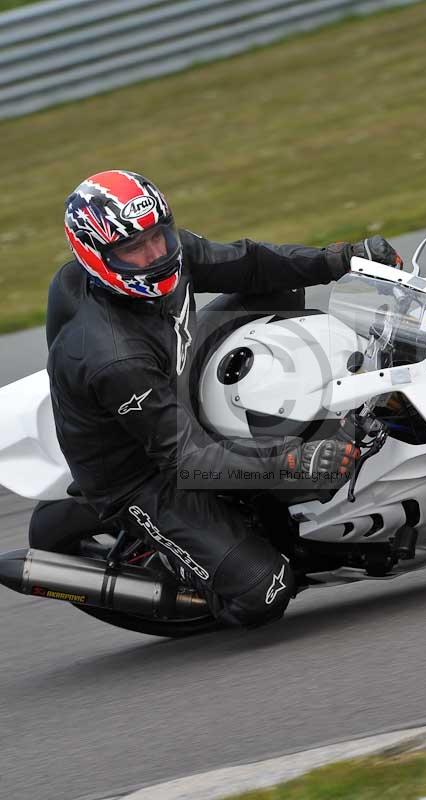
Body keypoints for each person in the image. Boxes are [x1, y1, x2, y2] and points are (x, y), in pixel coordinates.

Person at [44, 169, 402, 629]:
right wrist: (292, 462)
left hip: (172, 374)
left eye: (158, 235)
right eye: (133, 248)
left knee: (276, 290)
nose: (154, 255)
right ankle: (196, 574)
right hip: (141, 472)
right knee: (264, 591)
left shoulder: (170, 253)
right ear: (95, 257)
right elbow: (187, 458)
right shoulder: (112, 356)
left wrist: (343, 259)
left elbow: (249, 263)